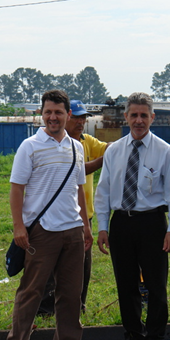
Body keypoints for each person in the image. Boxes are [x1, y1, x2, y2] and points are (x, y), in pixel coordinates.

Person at [5, 89, 94, 340]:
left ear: (68, 115)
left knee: (71, 293)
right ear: (41, 115)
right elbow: (16, 189)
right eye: (48, 112)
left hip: (73, 230)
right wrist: (19, 227)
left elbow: (79, 189)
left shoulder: (76, 147)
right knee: (31, 290)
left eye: (58, 112)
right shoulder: (29, 146)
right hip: (42, 230)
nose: (52, 117)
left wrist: (86, 227)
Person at [94, 92, 170, 340]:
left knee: (156, 284)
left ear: (152, 118)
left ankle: (155, 339)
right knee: (126, 284)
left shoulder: (165, 152)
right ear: (126, 117)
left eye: (144, 115)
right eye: (133, 115)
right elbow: (103, 192)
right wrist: (102, 227)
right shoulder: (114, 151)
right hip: (122, 223)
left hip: (153, 223)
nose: (138, 120)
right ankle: (134, 339)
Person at [37, 99, 108, 315]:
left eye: (83, 117)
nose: (80, 121)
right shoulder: (57, 143)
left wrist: (123, 145)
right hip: (56, 215)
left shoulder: (87, 141)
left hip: (83, 216)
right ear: (67, 116)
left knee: (82, 266)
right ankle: (46, 308)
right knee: (50, 265)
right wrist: (102, 161)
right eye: (76, 117)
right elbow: (77, 169)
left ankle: (78, 305)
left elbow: (109, 149)